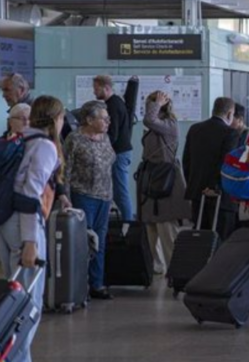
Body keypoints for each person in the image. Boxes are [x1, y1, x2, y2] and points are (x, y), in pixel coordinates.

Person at [7, 96, 64, 361]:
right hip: (24, 226)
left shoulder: (19, 140)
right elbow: (31, 193)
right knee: (28, 306)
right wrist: (31, 241)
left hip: (6, 224)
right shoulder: (44, 146)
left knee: (11, 301)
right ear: (56, 118)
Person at [65, 100, 116, 300]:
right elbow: (66, 170)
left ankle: (97, 284)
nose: (107, 122)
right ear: (89, 120)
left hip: (104, 196)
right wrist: (66, 197)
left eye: (107, 118)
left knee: (100, 242)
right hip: (82, 195)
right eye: (103, 118)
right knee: (83, 241)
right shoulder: (74, 139)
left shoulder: (105, 138)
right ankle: (78, 284)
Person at [140, 91, 192, 275]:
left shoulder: (170, 125)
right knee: (150, 225)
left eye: (150, 105)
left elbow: (149, 120)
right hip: (151, 178)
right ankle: (157, 265)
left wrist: (157, 103)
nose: (147, 109)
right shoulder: (154, 127)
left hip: (165, 180)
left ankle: (175, 268)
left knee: (166, 227)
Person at [182, 97, 240, 241]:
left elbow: (186, 161)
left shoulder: (195, 129)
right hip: (220, 197)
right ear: (229, 114)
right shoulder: (230, 133)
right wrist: (215, 186)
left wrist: (194, 184)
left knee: (200, 241)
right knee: (221, 243)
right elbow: (226, 164)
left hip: (197, 194)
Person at [93, 75, 134, 221]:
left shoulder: (113, 105)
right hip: (121, 152)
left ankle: (129, 225)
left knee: (120, 192)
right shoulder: (115, 102)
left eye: (96, 88)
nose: (94, 92)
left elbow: (112, 134)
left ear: (106, 88)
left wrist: (95, 144)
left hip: (119, 153)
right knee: (118, 191)